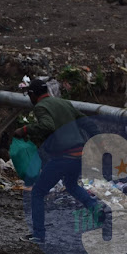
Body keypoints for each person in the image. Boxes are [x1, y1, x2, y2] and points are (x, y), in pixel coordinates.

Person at [13, 78, 103, 243]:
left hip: (63, 157)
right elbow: (86, 123)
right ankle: (95, 208)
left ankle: (39, 235)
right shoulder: (64, 103)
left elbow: (47, 126)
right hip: (78, 155)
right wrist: (98, 142)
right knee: (71, 185)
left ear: (32, 94)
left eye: (29, 95)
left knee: (38, 192)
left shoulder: (41, 107)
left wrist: (24, 130)